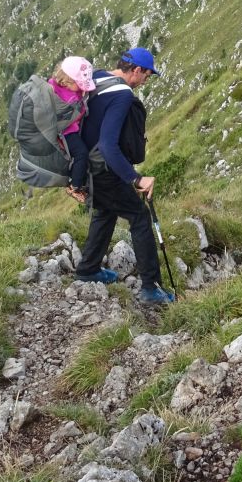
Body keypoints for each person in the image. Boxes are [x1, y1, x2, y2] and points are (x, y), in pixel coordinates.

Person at [74, 47, 175, 303]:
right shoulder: (122, 95)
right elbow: (109, 145)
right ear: (136, 70)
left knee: (106, 210)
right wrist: (136, 178)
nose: (145, 81)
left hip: (85, 165)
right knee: (139, 216)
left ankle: (88, 269)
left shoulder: (96, 77)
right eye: (146, 75)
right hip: (102, 169)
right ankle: (151, 288)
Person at [50, 56, 95, 203]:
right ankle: (74, 186)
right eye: (81, 83)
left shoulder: (72, 88)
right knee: (81, 153)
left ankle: (83, 180)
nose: (83, 87)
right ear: (68, 80)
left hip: (74, 127)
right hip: (66, 132)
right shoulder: (52, 90)